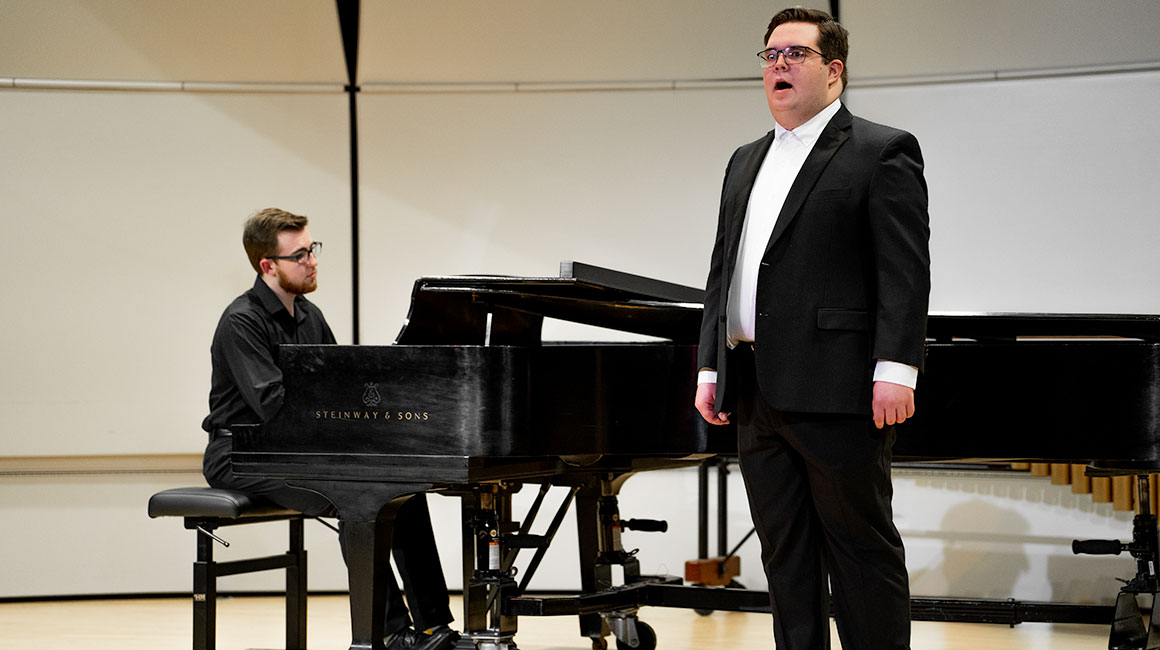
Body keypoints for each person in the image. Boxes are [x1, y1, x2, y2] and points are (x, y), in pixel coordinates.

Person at [694, 8, 930, 650]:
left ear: (834, 71)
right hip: (752, 387)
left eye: (794, 54)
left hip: (840, 389)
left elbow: (904, 274)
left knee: (859, 551)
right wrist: (711, 365)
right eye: (770, 55)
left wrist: (896, 369)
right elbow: (725, 270)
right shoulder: (745, 160)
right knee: (785, 558)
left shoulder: (881, 150)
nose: (778, 65)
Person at [202, 208, 459, 650]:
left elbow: (340, 388)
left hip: (295, 448)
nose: (312, 261)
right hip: (240, 454)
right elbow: (272, 405)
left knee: (405, 489)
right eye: (300, 254)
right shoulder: (241, 321)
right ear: (268, 266)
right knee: (357, 493)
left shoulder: (309, 315)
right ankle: (389, 635)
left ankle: (435, 628)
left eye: (312, 249)